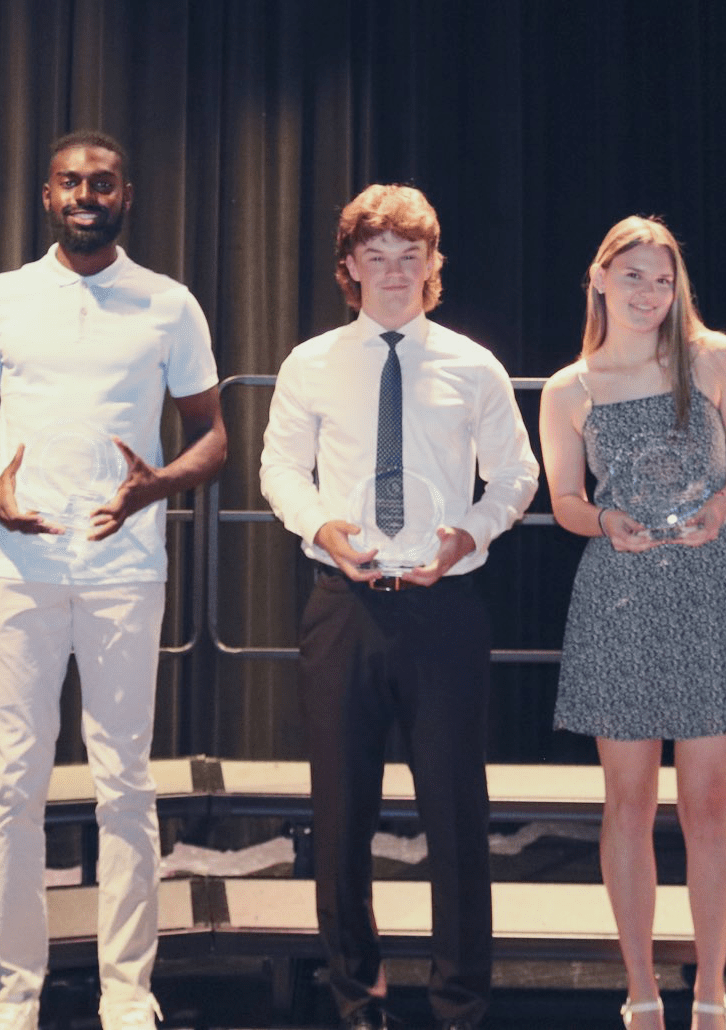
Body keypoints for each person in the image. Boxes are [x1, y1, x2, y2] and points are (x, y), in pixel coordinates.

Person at [0, 130, 227, 1030]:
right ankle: (14, 989)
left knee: (125, 783)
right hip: (17, 570)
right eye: (71, 181)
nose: (86, 194)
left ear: (126, 195)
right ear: (45, 195)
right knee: (12, 786)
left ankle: (128, 991)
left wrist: (159, 485)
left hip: (123, 570)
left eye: (102, 183)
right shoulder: (0, 300)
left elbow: (214, 437)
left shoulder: (168, 305)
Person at [260, 184, 537, 1030]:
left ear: (433, 266)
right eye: (375, 256)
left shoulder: (472, 363)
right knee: (340, 813)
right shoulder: (310, 363)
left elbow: (518, 475)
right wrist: (322, 527)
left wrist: (469, 535)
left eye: (409, 256)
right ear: (348, 268)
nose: (393, 272)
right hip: (343, 608)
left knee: (456, 814)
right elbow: (279, 472)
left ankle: (460, 1001)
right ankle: (357, 989)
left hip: (444, 611)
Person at [536, 216, 726, 1030]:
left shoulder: (714, 358)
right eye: (635, 276)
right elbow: (567, 503)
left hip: (714, 587)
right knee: (627, 802)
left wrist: (722, 505)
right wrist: (604, 524)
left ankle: (712, 992)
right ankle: (642, 990)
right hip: (620, 595)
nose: (651, 293)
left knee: (709, 803)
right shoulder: (568, 387)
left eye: (664, 278)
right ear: (600, 279)